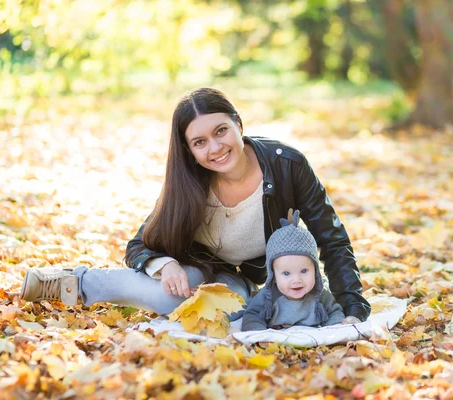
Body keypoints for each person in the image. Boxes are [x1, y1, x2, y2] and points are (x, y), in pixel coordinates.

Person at [20, 87, 370, 323]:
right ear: (189, 150)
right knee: (170, 298)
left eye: (220, 131)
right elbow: (138, 245)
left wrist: (352, 308)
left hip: (242, 278)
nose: (215, 148)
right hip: (192, 264)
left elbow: (332, 238)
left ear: (238, 124)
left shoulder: (287, 165)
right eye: (200, 142)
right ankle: (75, 283)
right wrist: (165, 265)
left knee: (236, 313)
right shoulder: (189, 181)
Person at [242, 209, 345, 331]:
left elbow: (335, 312)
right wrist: (258, 333)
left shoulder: (319, 294)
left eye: (304, 271)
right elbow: (252, 316)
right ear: (273, 276)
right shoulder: (269, 296)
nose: (296, 280)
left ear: (315, 270)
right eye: (286, 273)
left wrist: (335, 328)